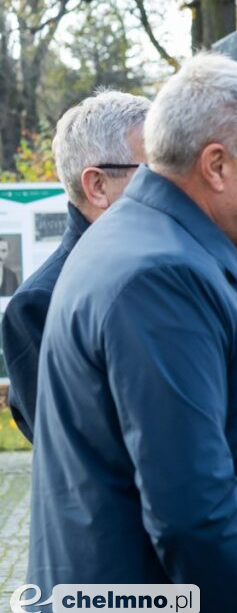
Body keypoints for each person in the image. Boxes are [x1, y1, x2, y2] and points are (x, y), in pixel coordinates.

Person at [28, 54, 237, 613]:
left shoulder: (149, 242)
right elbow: (192, 515)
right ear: (215, 165)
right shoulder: (161, 275)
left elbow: (166, 427)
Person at [1, 91, 149, 442]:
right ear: (98, 186)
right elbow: (81, 448)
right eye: (156, 171)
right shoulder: (38, 304)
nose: (178, 186)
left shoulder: (179, 266)